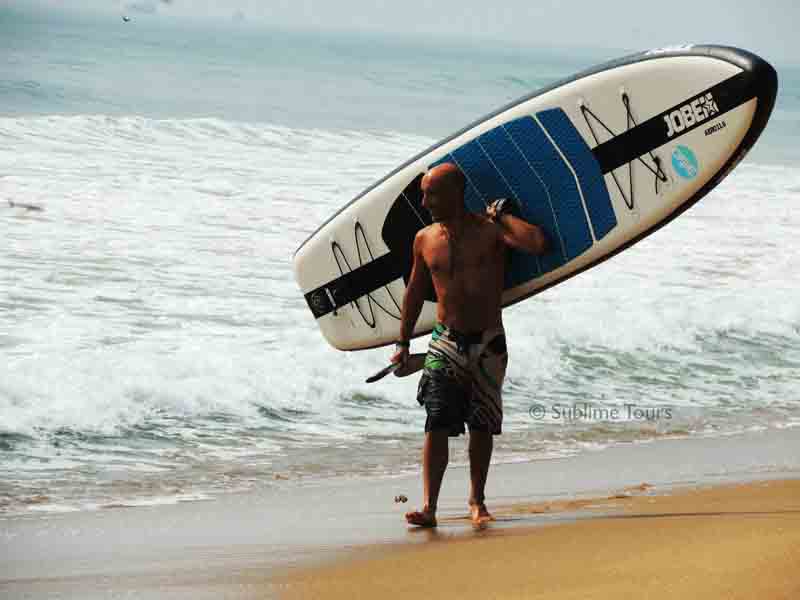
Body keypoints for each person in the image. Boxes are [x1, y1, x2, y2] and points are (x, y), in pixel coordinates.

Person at [391, 162, 548, 528]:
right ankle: (429, 508)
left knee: (481, 424)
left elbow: (538, 244)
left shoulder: (490, 231)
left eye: (432, 194)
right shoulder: (424, 238)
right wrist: (402, 340)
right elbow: (415, 293)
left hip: (489, 341)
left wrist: (504, 216)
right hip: (443, 339)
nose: (426, 201)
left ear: (456, 193)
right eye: (424, 194)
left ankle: (477, 503)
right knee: (436, 421)